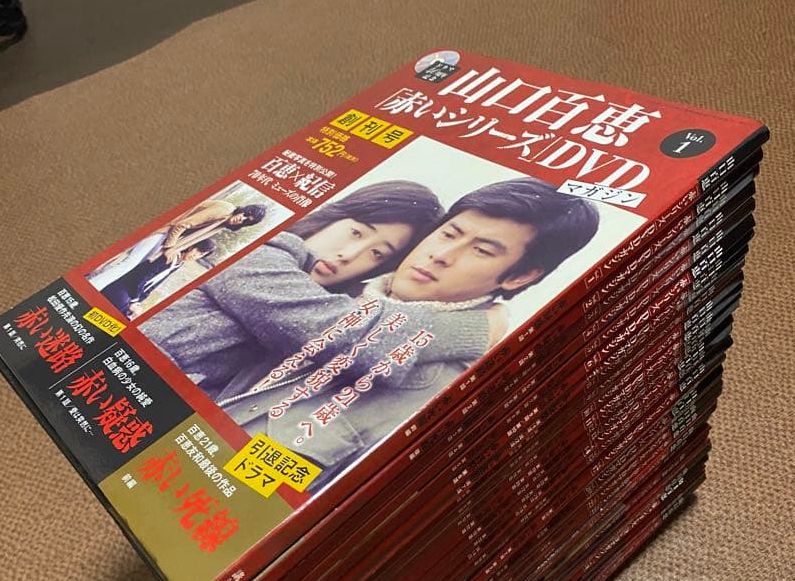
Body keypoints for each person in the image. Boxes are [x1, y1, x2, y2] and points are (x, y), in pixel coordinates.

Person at [218, 178, 600, 490]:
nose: (442, 255)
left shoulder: (442, 392)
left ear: (520, 276)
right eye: (449, 233)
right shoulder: (332, 288)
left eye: (482, 251)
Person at [139, 180, 504, 400]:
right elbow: (351, 338)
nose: (350, 255)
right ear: (335, 217)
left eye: (377, 254)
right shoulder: (265, 253)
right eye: (357, 232)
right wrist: (478, 326)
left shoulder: (323, 299)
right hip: (127, 373)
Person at [87, 198, 267, 293]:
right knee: (130, 262)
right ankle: (93, 286)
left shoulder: (223, 222)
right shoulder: (224, 210)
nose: (242, 219)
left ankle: (94, 281)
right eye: (245, 214)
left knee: (134, 262)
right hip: (165, 230)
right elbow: (182, 225)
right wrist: (170, 247)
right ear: (244, 209)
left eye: (247, 221)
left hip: (168, 236)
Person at [100, 238, 216, 318]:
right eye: (197, 250)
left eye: (201, 254)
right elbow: (140, 277)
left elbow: (153, 285)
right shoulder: (169, 257)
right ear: (191, 246)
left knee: (129, 316)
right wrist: (134, 301)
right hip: (125, 285)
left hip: (133, 293)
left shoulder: (179, 263)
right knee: (120, 307)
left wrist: (138, 302)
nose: (196, 255)